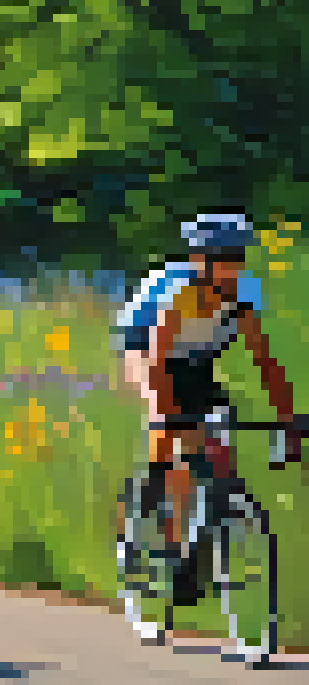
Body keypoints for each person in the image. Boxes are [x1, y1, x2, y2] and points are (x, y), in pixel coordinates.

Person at [117, 213, 301, 628]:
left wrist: (287, 421)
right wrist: (164, 415)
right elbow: (157, 360)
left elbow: (265, 362)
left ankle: (211, 524)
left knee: (217, 444)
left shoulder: (243, 294)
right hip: (147, 351)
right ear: (199, 260)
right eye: (221, 258)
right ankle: (166, 534)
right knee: (171, 430)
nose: (230, 267)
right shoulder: (178, 291)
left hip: (197, 361)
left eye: (237, 258)